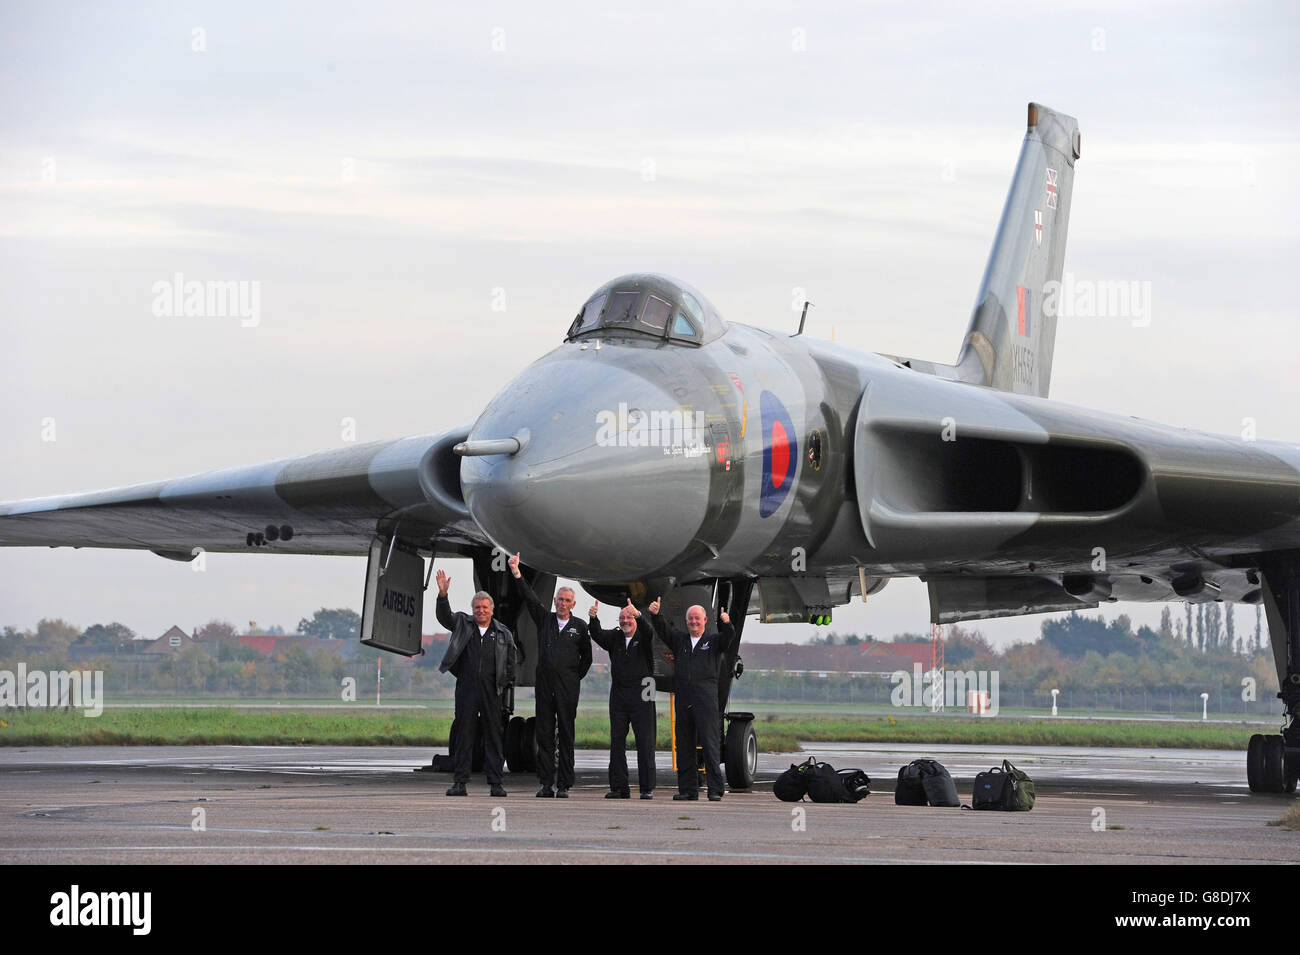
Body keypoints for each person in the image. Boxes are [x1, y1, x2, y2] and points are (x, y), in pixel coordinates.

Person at [509, 553, 592, 798]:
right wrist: (516, 572)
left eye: (567, 600)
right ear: (555, 601)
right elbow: (530, 598)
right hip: (545, 686)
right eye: (560, 599)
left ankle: (564, 784)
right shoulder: (545, 619)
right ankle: (546, 783)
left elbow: (586, 658)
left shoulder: (580, 627)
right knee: (545, 735)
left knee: (566, 734)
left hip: (567, 687)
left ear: (573, 604)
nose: (563, 603)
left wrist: (574, 677)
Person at [436, 569, 521, 797]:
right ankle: (460, 783)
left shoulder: (503, 633)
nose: (481, 611)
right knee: (464, 736)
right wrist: (443, 596)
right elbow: (445, 618)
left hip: (492, 691)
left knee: (494, 737)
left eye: (485, 607)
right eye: (477, 608)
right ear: (473, 610)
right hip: (467, 689)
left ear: (492, 610)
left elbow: (511, 664)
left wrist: (502, 684)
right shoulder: (464, 624)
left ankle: (496, 783)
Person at [648, 600, 737, 801]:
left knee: (710, 745)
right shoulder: (680, 641)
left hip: (705, 701)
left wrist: (727, 623)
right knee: (685, 746)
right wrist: (655, 615)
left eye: (697, 618)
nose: (694, 622)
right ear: (686, 622)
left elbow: (728, 638)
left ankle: (715, 790)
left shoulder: (713, 642)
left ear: (705, 620)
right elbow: (664, 631)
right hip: (684, 699)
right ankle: (688, 790)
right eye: (690, 619)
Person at [587, 598, 658, 799]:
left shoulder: (643, 637)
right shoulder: (616, 638)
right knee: (617, 742)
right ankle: (619, 787)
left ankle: (646, 788)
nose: (625, 620)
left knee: (645, 742)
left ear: (635, 619)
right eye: (622, 618)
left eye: (629, 617)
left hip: (644, 692)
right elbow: (598, 635)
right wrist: (593, 619)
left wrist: (639, 615)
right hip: (619, 694)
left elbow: (649, 631)